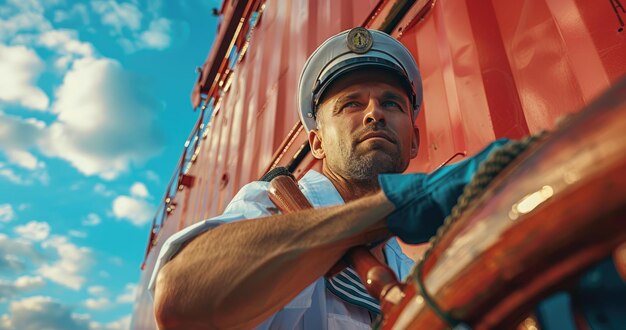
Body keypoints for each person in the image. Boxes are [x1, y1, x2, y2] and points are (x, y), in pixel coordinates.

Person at [150, 27, 506, 329]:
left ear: (413, 143)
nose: (374, 114)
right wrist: (390, 207)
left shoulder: (410, 272)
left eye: (392, 103)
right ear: (317, 143)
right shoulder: (269, 208)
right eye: (352, 103)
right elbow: (178, 297)